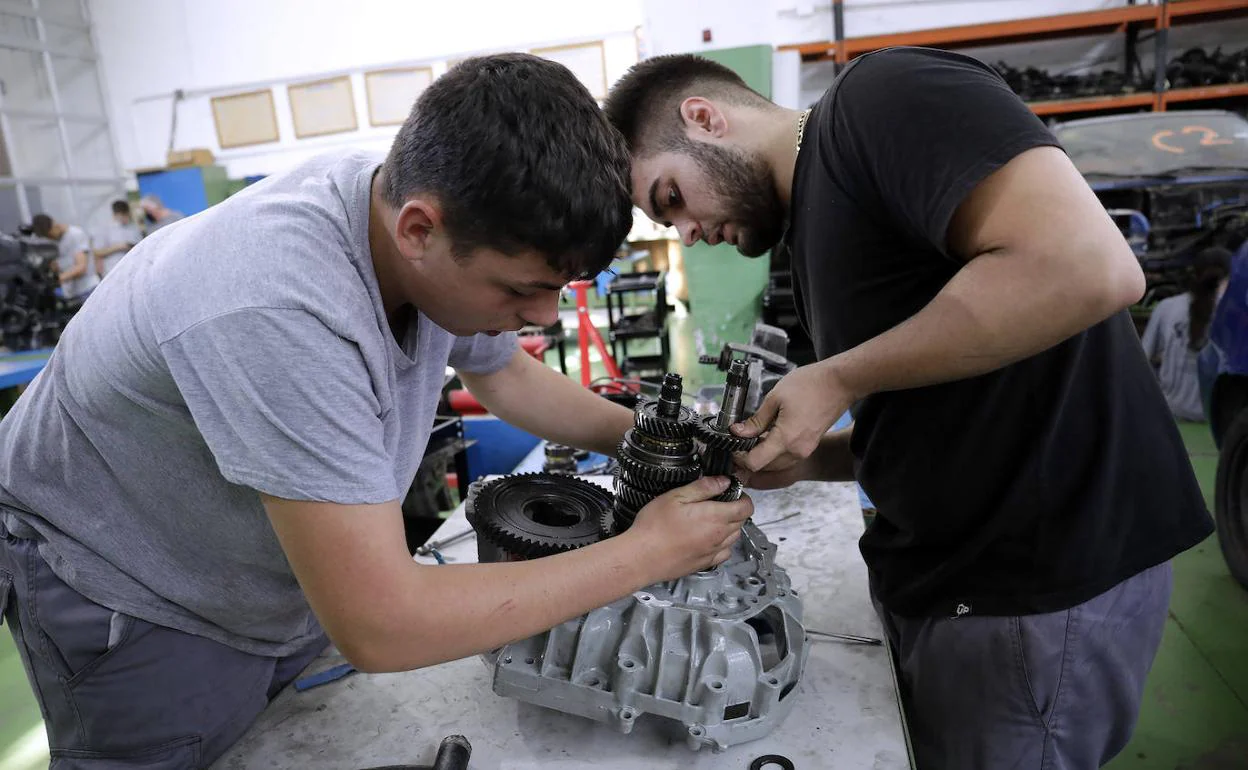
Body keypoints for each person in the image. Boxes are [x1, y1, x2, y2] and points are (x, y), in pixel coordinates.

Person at [0, 54, 751, 767]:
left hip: (260, 567)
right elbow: (381, 625)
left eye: (556, 289)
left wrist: (650, 438)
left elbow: (510, 380)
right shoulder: (278, 305)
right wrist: (646, 552)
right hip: (132, 579)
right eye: (521, 290)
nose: (545, 318)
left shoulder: (411, 220)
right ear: (419, 230)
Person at [606, 48, 1212, 768]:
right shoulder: (815, 232)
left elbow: (1089, 267)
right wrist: (805, 462)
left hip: (1036, 588)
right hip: (954, 588)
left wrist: (833, 379)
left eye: (671, 199)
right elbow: (939, 413)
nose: (689, 234)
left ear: (703, 119)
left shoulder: (880, 98)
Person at [1141, 247, 1232, 422]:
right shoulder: (1236, 315)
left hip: (1170, 413)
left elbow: (1140, 361)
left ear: (1194, 275)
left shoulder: (1166, 308)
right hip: (1217, 420)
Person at [31, 212, 99, 299]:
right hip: (71, 293)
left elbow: (81, 268)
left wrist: (54, 281)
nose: (49, 238)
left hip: (88, 290)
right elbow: (61, 265)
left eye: (49, 235)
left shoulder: (75, 234)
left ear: (54, 225)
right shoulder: (54, 241)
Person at [93, 199, 143, 278]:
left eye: (126, 215)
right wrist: (118, 247)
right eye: (122, 216)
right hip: (112, 272)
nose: (124, 219)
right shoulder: (105, 229)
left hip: (133, 270)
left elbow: (141, 247)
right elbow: (97, 252)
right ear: (115, 215)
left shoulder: (133, 227)